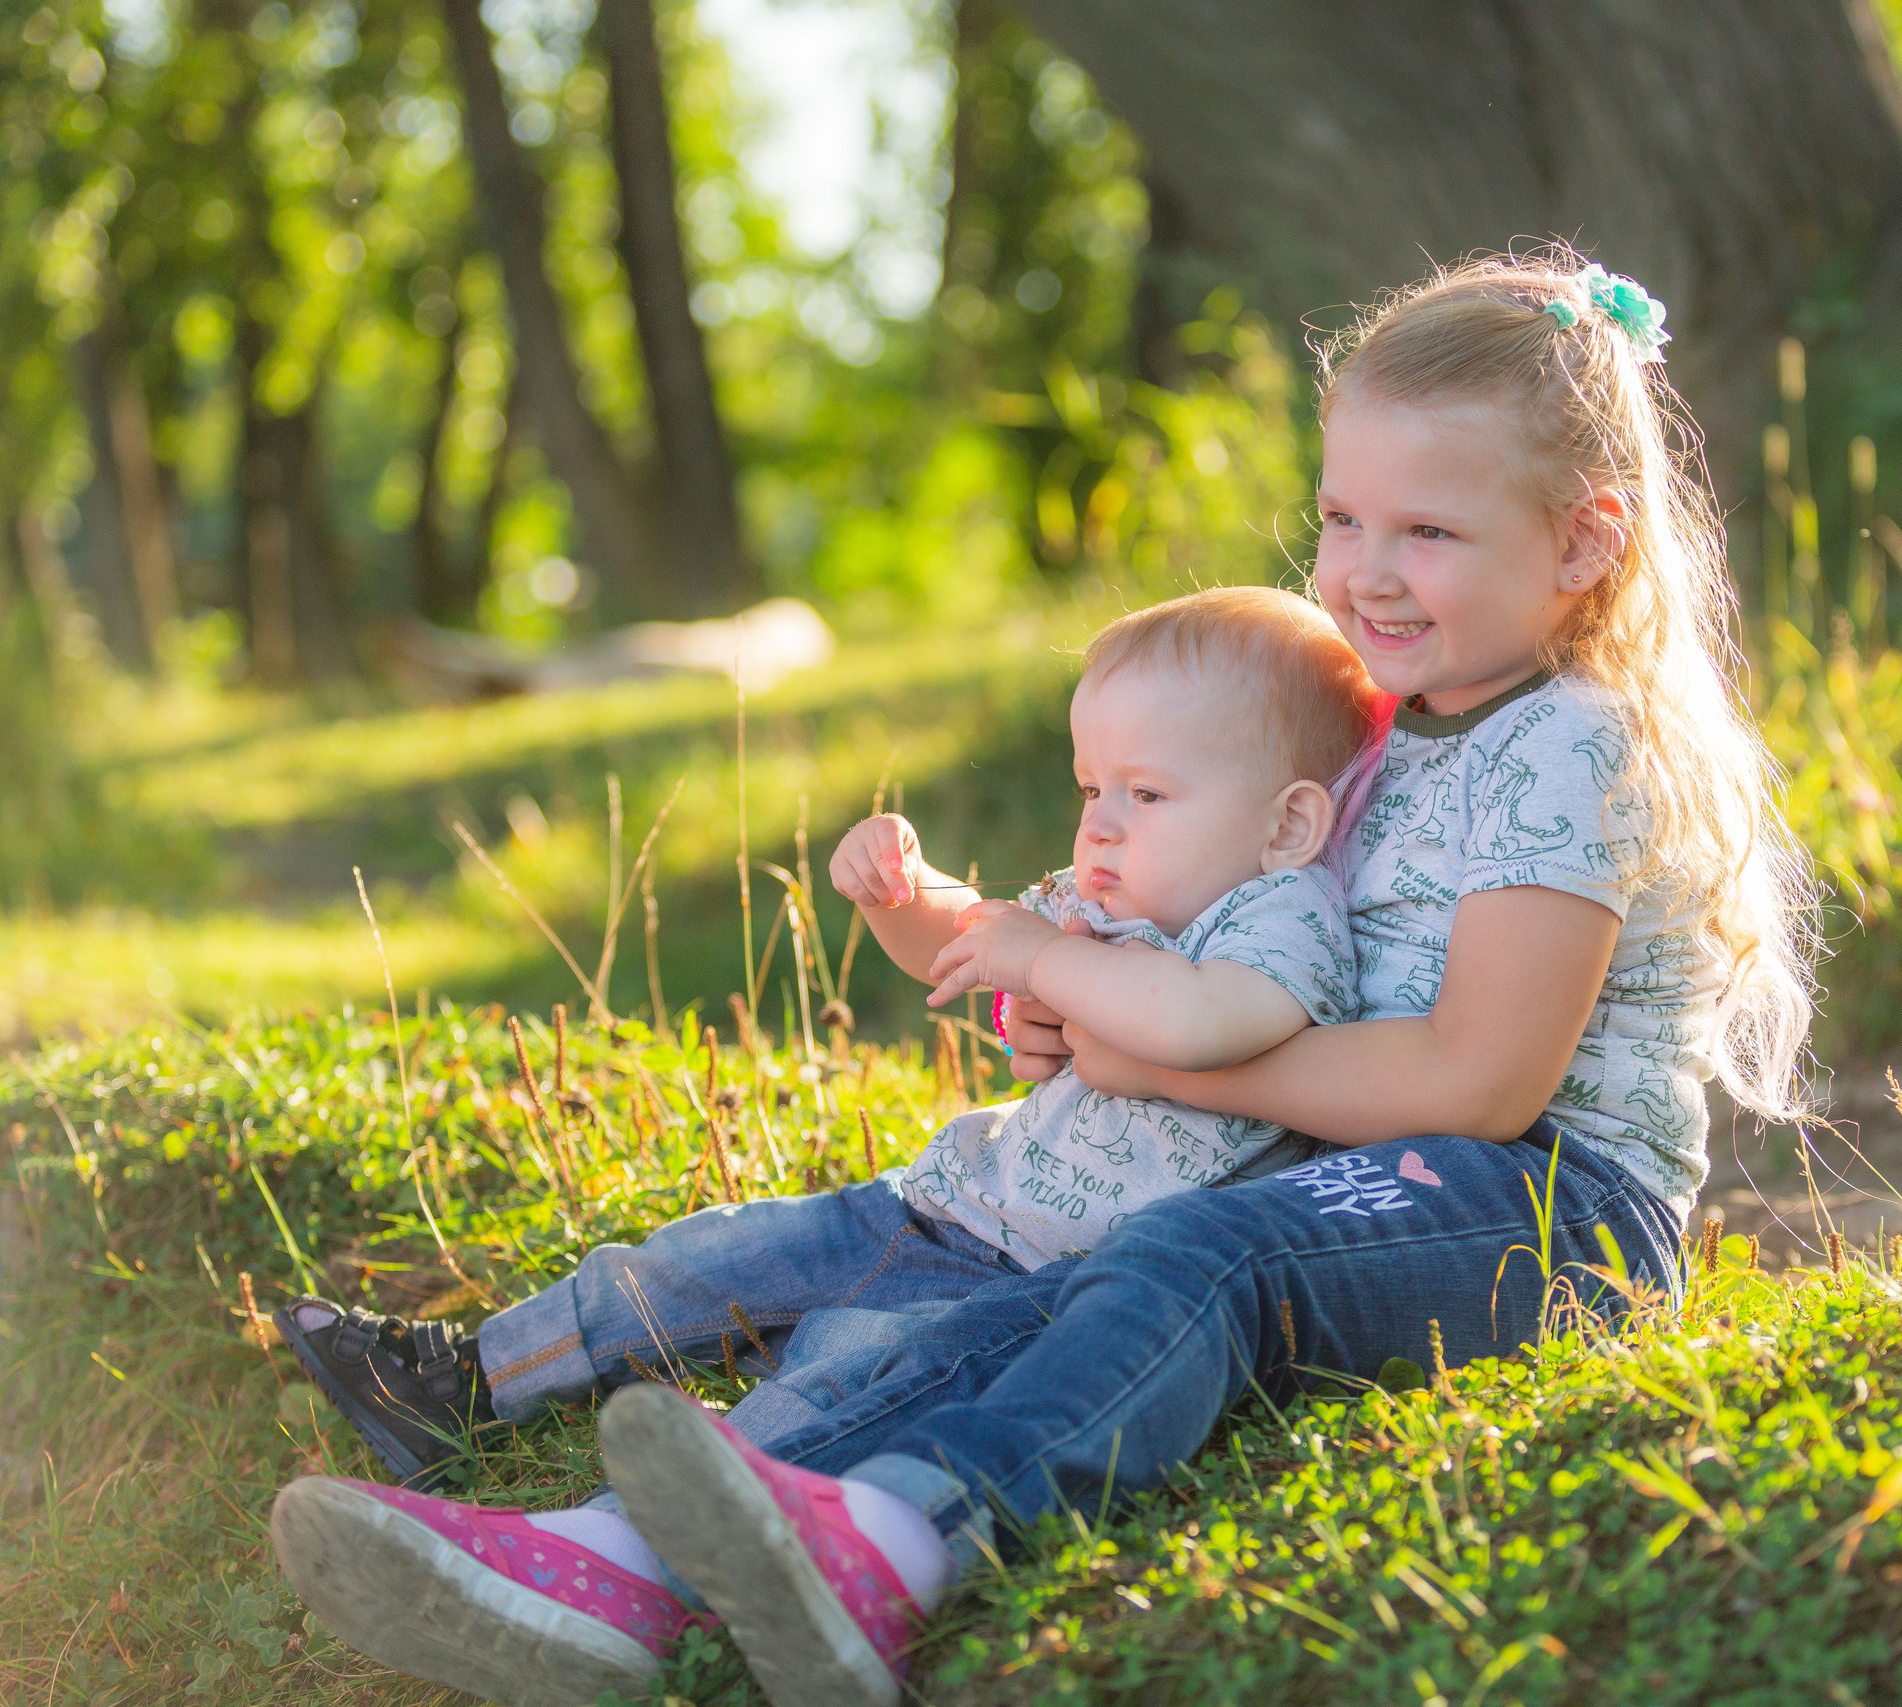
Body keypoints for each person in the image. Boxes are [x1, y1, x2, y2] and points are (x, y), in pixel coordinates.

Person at [572, 248, 1823, 1707]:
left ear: (1585, 540)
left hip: (1554, 1210)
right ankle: (631, 1549)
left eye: (1426, 527)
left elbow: (1481, 1084)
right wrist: (1083, 992)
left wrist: (1164, 1060)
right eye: (1343, 515)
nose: (1363, 567)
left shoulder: (1568, 740)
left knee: (1195, 1256)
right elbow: (1247, 939)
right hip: (1370, 1157)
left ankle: (911, 1530)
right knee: (1043, 1288)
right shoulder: (1377, 721)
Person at [267, 587, 1384, 1707]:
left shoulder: (1279, 922)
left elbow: (1200, 1023)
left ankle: (605, 1564)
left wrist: (1046, 962)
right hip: (935, 1200)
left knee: (833, 1377)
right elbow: (966, 935)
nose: (1100, 825)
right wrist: (903, 889)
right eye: (1092, 787)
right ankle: (463, 1382)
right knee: (696, 1261)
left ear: (1286, 824)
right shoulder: (1100, 894)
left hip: (1035, 1283)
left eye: (1146, 793)